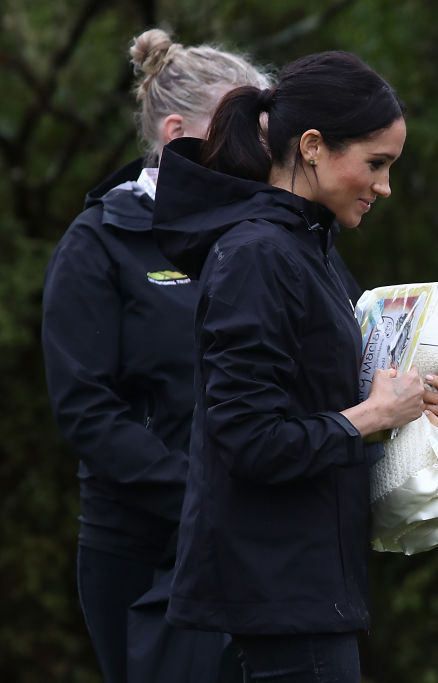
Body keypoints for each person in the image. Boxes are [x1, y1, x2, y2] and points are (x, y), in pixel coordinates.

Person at [149, 51, 438, 682]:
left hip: (313, 585)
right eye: (375, 163)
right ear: (314, 146)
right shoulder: (257, 254)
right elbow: (247, 437)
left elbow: (318, 406)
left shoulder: (306, 246)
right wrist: (371, 415)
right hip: (278, 595)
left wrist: (415, 414)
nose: (384, 186)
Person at [41, 28, 271, 683]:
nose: (262, 152)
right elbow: (86, 410)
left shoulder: (267, 237)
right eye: (243, 132)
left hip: (259, 544)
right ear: (176, 133)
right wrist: (203, 493)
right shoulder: (97, 244)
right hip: (143, 551)